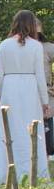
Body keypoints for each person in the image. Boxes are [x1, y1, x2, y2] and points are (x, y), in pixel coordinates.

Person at [0, 10, 50, 184]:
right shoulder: (36, 46)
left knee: (10, 130)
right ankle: (35, 173)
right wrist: (45, 101)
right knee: (31, 131)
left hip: (10, 89)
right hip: (30, 90)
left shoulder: (4, 45)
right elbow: (40, 76)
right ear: (32, 25)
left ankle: (8, 173)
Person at [36, 18, 54, 156]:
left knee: (46, 121)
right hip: (27, 90)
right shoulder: (17, 47)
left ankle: (47, 152)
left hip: (45, 92)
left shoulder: (46, 47)